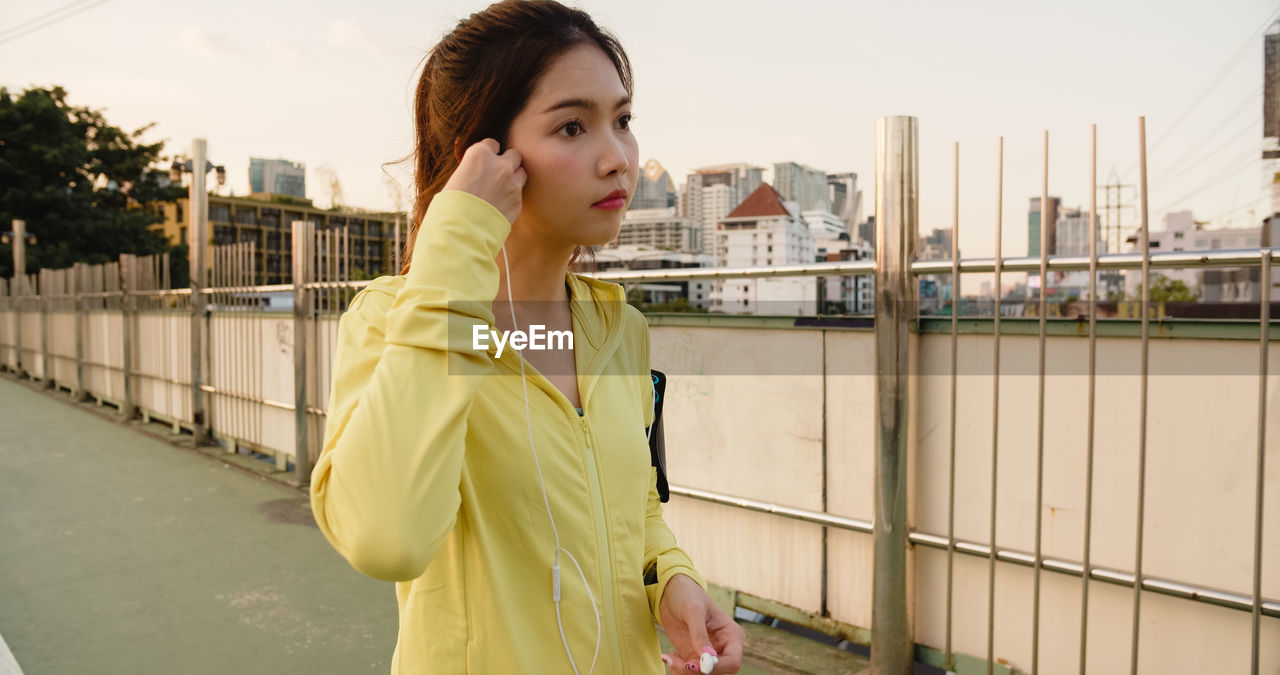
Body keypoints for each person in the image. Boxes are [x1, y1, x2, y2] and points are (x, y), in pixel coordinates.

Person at [308, 1, 745, 673]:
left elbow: (638, 505)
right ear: (485, 158)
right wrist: (455, 241)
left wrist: (670, 580)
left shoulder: (617, 328)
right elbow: (385, 538)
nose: (619, 158)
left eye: (622, 121)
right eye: (572, 126)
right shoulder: (397, 321)